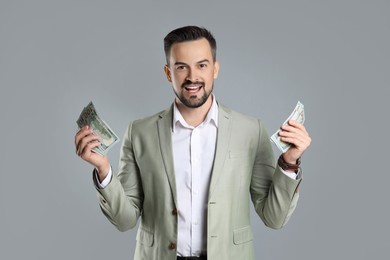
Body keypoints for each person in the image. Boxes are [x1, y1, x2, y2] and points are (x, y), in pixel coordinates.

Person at [75, 25, 311, 260]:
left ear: (215, 69)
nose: (192, 77)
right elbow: (125, 220)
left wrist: (289, 163)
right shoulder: (139, 132)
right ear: (169, 73)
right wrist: (103, 169)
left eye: (202, 65)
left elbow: (274, 218)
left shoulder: (251, 130)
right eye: (181, 67)